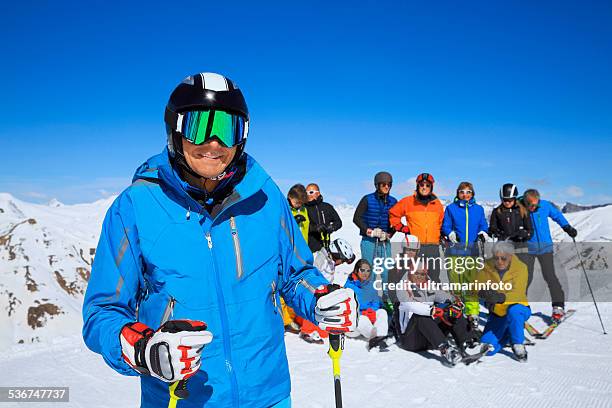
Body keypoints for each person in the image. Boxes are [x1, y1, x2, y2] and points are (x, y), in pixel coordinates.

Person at [82, 72, 358, 408]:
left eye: (228, 129)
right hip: (181, 398)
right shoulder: (135, 207)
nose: (214, 143)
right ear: (175, 129)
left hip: (267, 394)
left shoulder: (265, 198)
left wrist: (320, 299)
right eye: (200, 125)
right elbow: (103, 312)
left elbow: (295, 275)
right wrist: (143, 348)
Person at [396, 266, 477, 367]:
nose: (419, 276)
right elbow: (411, 305)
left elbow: (442, 296)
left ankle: (467, 343)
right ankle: (446, 350)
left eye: (422, 274)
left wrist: (455, 302)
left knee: (452, 310)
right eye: (416, 273)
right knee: (420, 315)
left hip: (429, 338)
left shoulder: (428, 284)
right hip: (411, 340)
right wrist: (432, 311)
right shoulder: (402, 287)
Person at [520, 189, 577, 321]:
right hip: (527, 249)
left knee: (550, 277)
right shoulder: (520, 207)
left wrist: (567, 227)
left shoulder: (544, 205)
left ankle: (558, 307)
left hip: (545, 248)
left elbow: (557, 215)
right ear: (525, 201)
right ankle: (520, 307)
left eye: (536, 204)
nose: (534, 207)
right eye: (531, 205)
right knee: (525, 278)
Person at [441, 181, 489, 328]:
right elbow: (445, 225)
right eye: (462, 191)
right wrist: (450, 234)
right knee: (456, 283)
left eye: (468, 192)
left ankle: (473, 313)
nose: (465, 194)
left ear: (472, 194)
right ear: (458, 193)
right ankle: (458, 311)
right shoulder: (451, 208)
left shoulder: (478, 209)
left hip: (472, 253)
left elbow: (483, 225)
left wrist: (482, 234)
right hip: (455, 251)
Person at [477, 241, 530, 362]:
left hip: (519, 307)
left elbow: (518, 293)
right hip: (498, 312)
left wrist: (501, 297)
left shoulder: (521, 268)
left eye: (503, 258)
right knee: (487, 350)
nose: (499, 261)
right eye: (496, 258)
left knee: (514, 311)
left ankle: (518, 344)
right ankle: (508, 334)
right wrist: (483, 293)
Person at [299, 238, 356, 344]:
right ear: (336, 254)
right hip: (310, 292)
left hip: (319, 291)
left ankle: (306, 322)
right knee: (315, 303)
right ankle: (307, 331)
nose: (341, 263)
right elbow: (312, 278)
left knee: (325, 332)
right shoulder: (321, 260)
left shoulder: (329, 261)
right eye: (342, 260)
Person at [389, 173, 445, 282]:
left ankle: (433, 297)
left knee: (433, 276)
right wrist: (402, 228)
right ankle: (410, 297)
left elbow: (441, 222)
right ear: (417, 186)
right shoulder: (408, 201)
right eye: (422, 185)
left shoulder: (437, 204)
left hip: (433, 247)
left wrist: (441, 235)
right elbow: (393, 214)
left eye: (427, 185)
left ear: (431, 187)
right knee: (412, 275)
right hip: (415, 248)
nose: (424, 187)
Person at [353, 171, 397, 296]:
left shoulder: (393, 201)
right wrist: (369, 231)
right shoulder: (367, 199)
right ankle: (368, 295)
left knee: (386, 270)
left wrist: (389, 234)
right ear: (377, 185)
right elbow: (357, 218)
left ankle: (387, 297)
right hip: (369, 241)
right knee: (368, 270)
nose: (386, 187)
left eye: (389, 184)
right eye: (383, 184)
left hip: (384, 241)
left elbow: (396, 221)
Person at [344, 259, 389, 351]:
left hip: (368, 320)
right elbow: (347, 307)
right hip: (353, 326)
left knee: (382, 312)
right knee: (361, 319)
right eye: (362, 270)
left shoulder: (371, 285)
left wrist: (372, 310)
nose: (365, 273)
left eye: (368, 271)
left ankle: (380, 336)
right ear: (356, 271)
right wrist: (363, 313)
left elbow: (375, 302)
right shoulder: (348, 286)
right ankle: (375, 339)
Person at [284, 184, 310, 333]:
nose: (299, 205)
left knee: (296, 286)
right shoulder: (285, 208)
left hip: (301, 252)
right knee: (284, 286)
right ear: (291, 198)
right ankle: (286, 321)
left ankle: (294, 317)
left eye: (301, 203)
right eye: (297, 202)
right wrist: (293, 219)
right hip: (288, 252)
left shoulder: (304, 210)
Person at [304, 183, 342, 253]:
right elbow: (302, 225)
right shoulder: (303, 208)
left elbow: (338, 222)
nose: (308, 194)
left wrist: (332, 227)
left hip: (325, 247)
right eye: (306, 192)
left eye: (311, 192)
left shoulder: (327, 207)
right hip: (308, 249)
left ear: (318, 193)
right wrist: (315, 228)